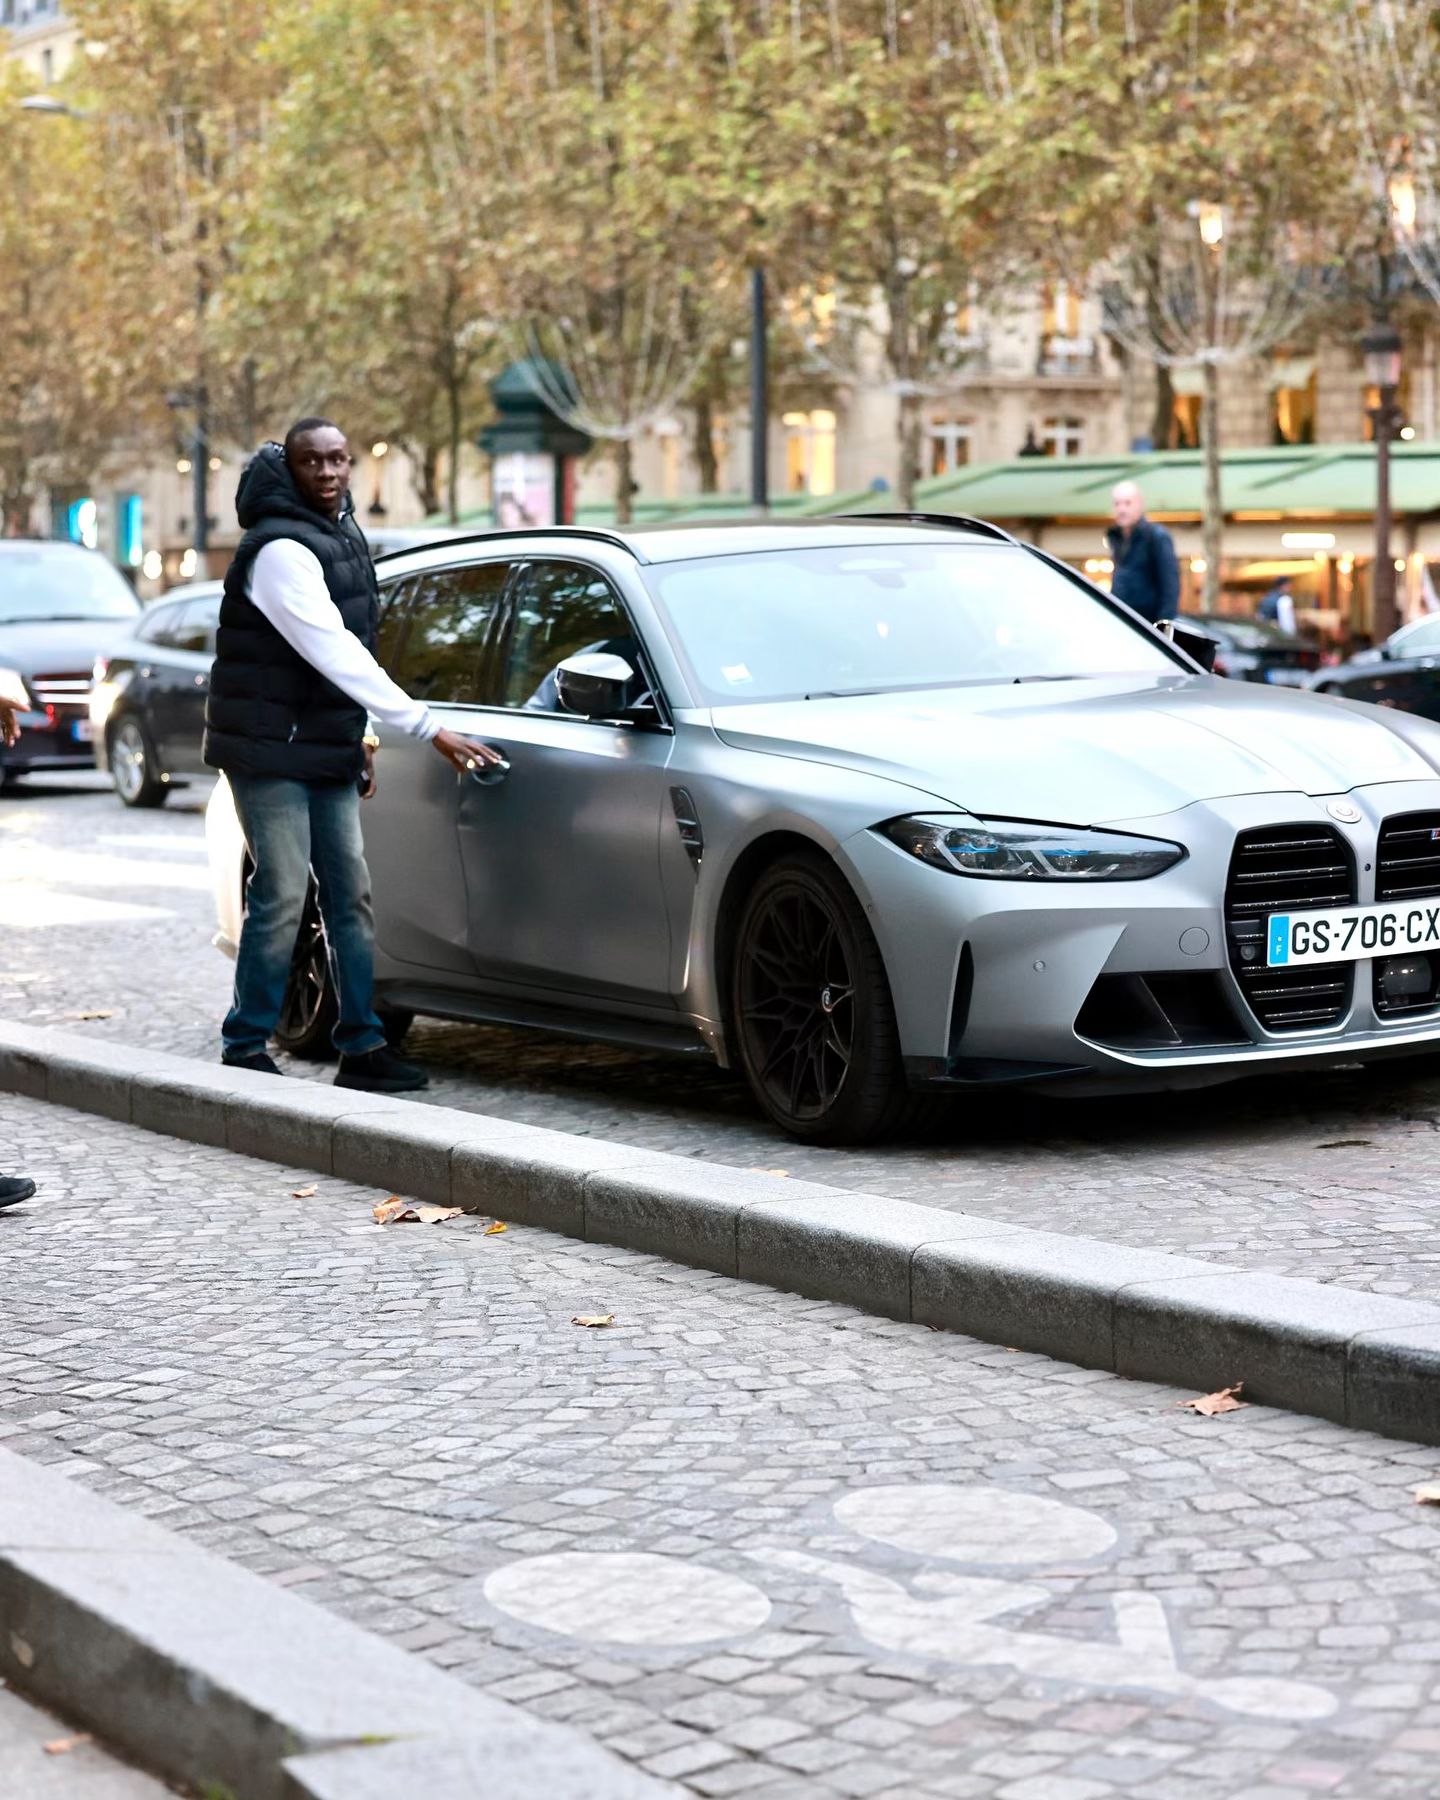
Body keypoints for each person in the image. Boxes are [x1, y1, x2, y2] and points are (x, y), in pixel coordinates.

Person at [203, 418, 501, 1092]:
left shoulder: (340, 531)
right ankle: (245, 1043)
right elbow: (333, 648)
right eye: (315, 462)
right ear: (292, 470)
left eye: (340, 459)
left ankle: (362, 1047)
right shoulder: (279, 548)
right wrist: (428, 728)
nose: (332, 473)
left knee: (351, 893)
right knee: (282, 889)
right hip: (267, 749)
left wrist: (361, 734)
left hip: (324, 743)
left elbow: (344, 655)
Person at [1105, 481, 1180, 625]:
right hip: (1122, 623)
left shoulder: (1157, 536)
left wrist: (1163, 628)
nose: (1122, 509)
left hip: (1148, 628)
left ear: (1140, 504)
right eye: (1117, 504)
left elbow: (1170, 587)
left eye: (1127, 503)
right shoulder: (1115, 538)